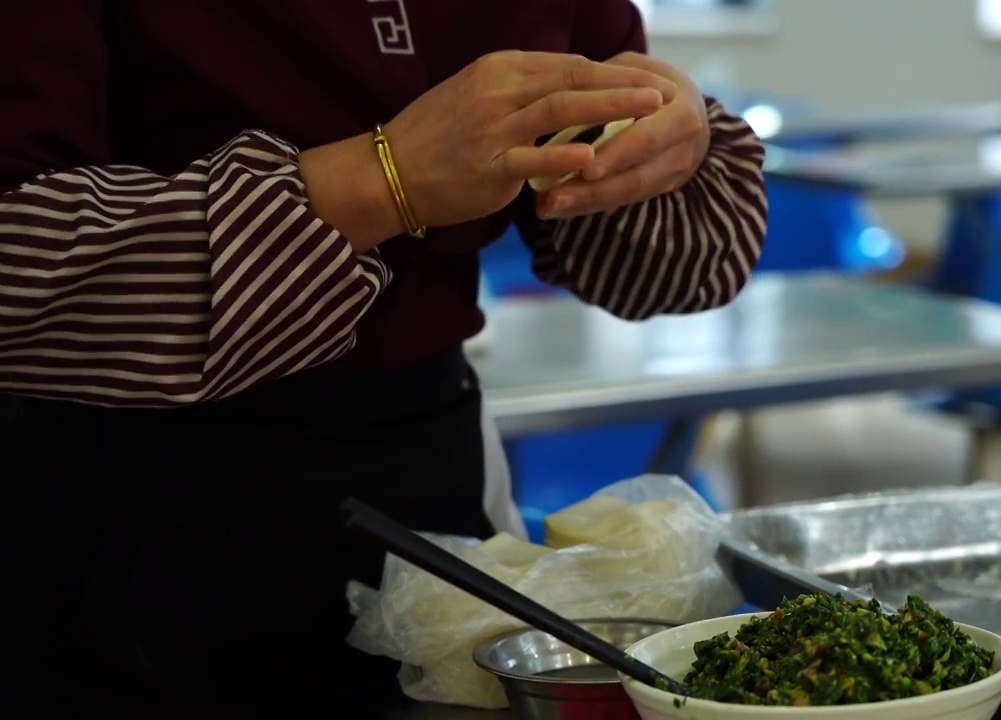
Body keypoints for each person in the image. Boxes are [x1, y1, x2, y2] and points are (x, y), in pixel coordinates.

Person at [0, 1, 766, 718]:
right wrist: (380, 181)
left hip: (438, 488)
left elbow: (669, 267)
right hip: (117, 507)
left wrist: (665, 145)